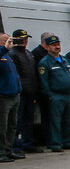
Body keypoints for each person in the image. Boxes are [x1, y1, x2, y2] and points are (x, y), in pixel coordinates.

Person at [36, 34, 70, 151]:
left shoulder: (65, 60)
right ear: (47, 47)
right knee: (55, 122)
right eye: (53, 45)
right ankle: (55, 144)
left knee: (69, 120)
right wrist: (50, 95)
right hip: (56, 96)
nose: (57, 47)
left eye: (58, 44)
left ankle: (68, 142)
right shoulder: (45, 62)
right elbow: (44, 82)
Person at [9, 29, 42, 153]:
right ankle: (15, 146)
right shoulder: (12, 54)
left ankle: (28, 143)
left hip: (31, 92)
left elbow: (33, 73)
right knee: (17, 121)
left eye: (26, 38)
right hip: (21, 93)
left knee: (28, 120)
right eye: (22, 39)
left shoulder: (28, 53)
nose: (25, 41)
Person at [0, 33, 23, 162]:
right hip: (3, 96)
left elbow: (15, 75)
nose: (9, 42)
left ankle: (8, 150)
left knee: (12, 125)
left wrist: (19, 89)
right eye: (6, 40)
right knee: (2, 126)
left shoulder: (8, 56)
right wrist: (4, 48)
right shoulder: (2, 54)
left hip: (14, 95)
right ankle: (1, 151)